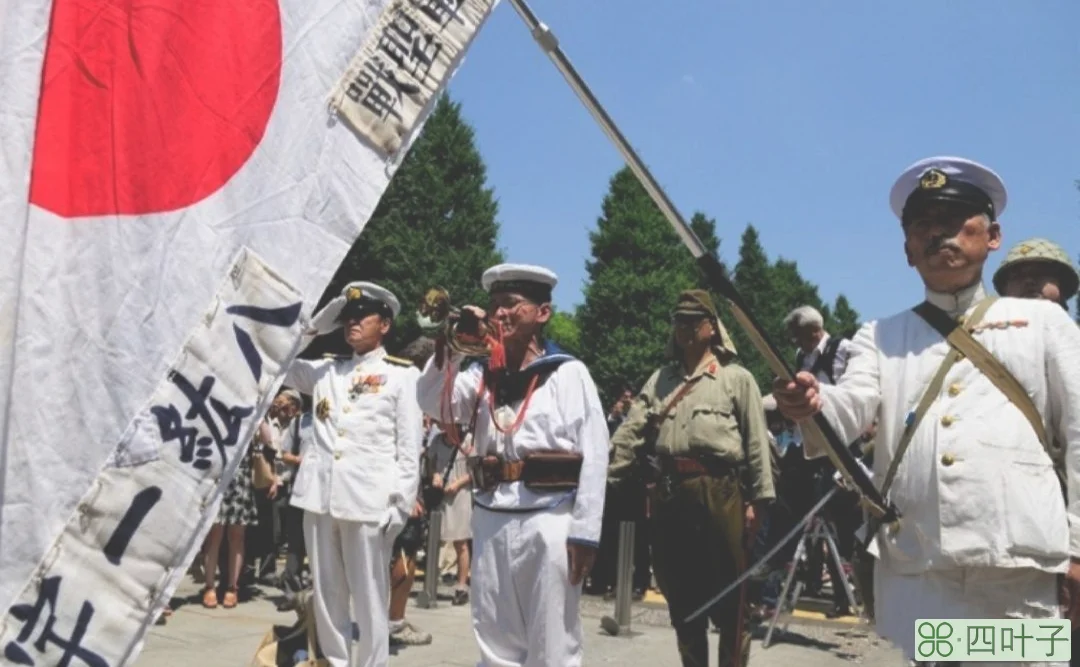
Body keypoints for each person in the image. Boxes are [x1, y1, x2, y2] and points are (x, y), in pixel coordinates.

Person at [773, 156, 1080, 666]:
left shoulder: (1043, 321)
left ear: (993, 235)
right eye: (922, 225)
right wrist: (812, 403)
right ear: (907, 249)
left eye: (957, 221)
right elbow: (849, 408)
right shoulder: (881, 335)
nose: (940, 235)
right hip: (916, 567)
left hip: (1017, 566)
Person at [416, 263, 608, 667]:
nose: (499, 314)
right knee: (494, 637)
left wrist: (585, 534)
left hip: (549, 519)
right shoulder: (480, 373)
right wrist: (452, 348)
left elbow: (595, 455)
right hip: (491, 517)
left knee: (553, 639)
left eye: (511, 305)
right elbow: (432, 401)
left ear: (542, 313)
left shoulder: (569, 373)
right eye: (495, 305)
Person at [608, 289, 775, 667]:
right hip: (671, 493)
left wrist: (759, 503)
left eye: (691, 320)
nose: (683, 328)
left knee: (732, 597)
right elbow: (632, 428)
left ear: (711, 328)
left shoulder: (736, 378)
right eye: (678, 320)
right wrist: (601, 476)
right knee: (682, 597)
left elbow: (756, 447)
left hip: (722, 493)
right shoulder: (661, 379)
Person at [282, 281, 423, 667]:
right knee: (327, 592)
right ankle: (334, 661)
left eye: (362, 317)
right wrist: (313, 328)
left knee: (370, 595)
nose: (352, 324)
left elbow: (410, 448)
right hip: (320, 495)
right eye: (347, 318)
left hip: (368, 502)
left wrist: (401, 505)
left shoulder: (401, 375)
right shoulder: (325, 369)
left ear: (386, 325)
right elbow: (273, 361)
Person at [992, 237, 1079, 310]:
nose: (1029, 280)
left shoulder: (1073, 330)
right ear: (1005, 289)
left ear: (1062, 285)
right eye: (1018, 275)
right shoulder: (987, 329)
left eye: (1041, 273)